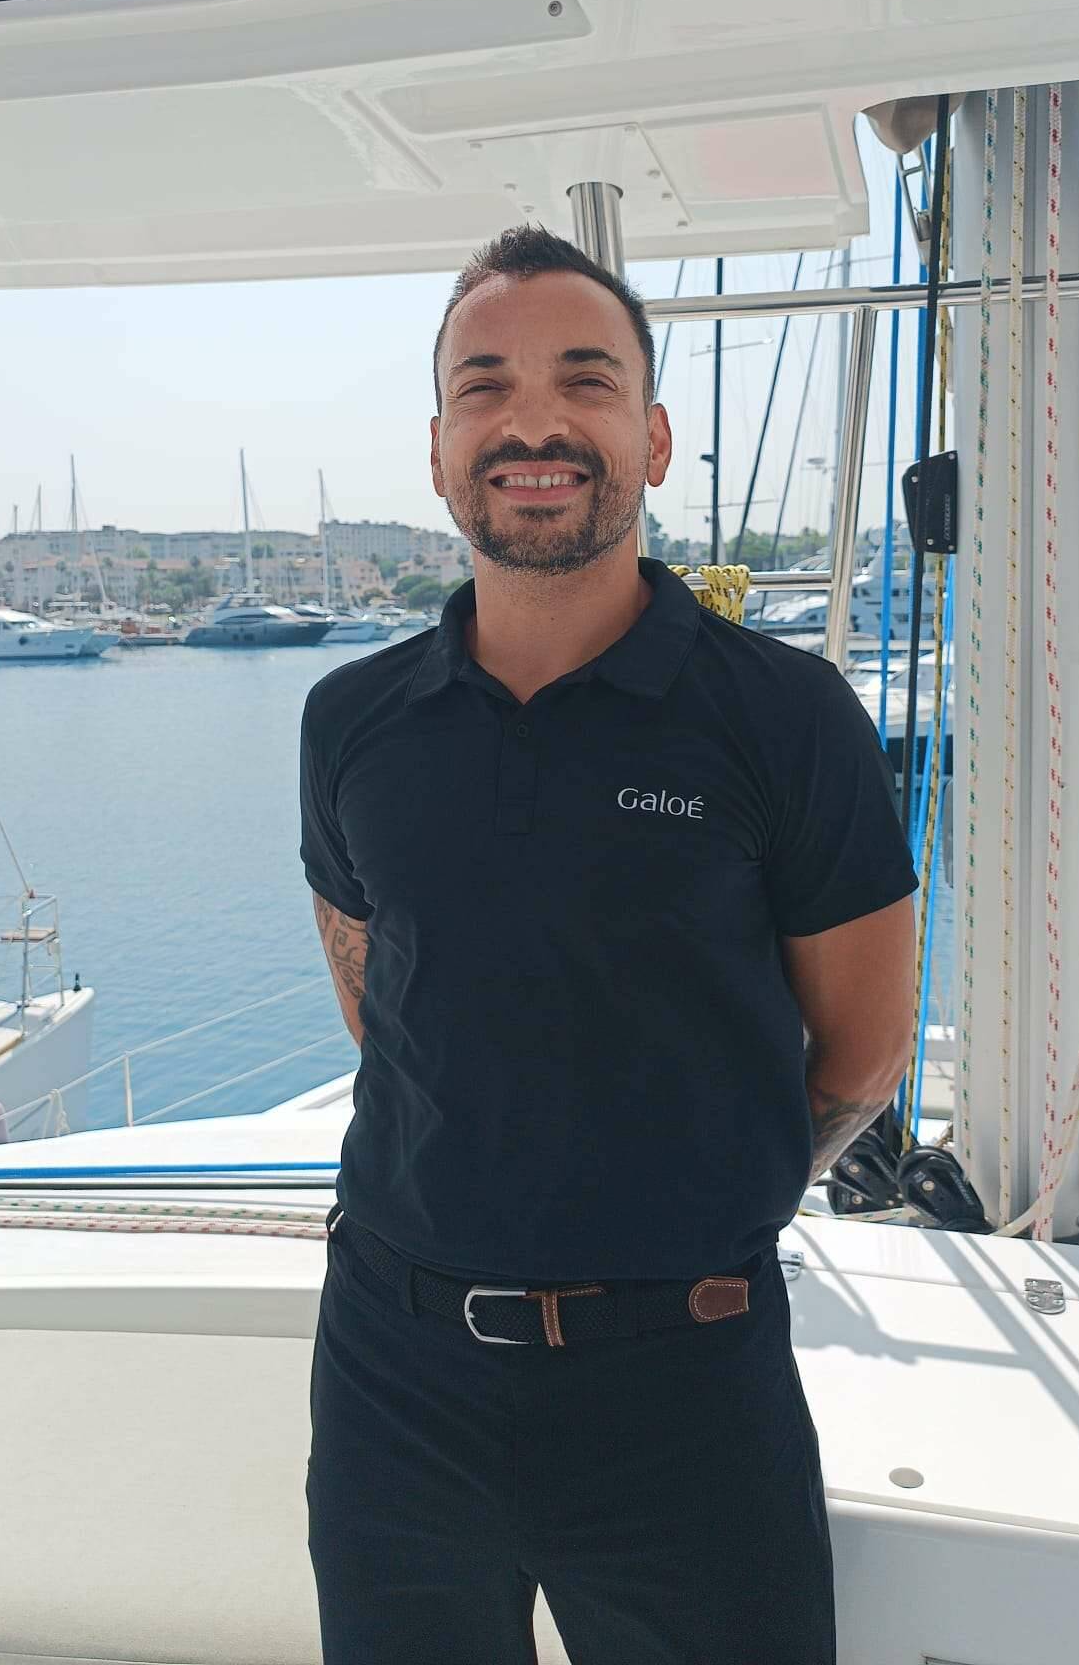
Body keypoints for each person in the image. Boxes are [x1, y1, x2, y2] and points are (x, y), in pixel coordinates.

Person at [300, 225, 917, 1664]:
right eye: (485, 386)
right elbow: (378, 1002)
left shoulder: (785, 717)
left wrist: (686, 1202)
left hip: (684, 1385)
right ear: (440, 448)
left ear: (652, 438)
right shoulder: (353, 723)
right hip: (394, 1377)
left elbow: (866, 1049)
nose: (534, 423)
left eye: (585, 380)